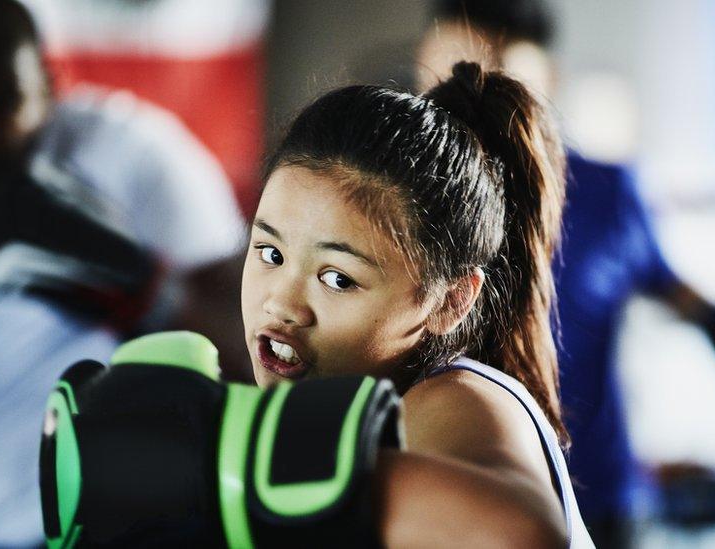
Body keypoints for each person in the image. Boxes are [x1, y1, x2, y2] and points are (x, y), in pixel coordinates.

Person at [415, 1, 715, 545]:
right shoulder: (403, 198)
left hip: (595, 490)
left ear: (547, 76)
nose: (479, 94)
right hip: (451, 482)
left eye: (502, 73)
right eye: (461, 68)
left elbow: (667, 285)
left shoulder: (607, 190)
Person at [238, 61, 593, 547]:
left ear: (450, 302)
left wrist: (225, 458)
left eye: (338, 279)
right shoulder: (348, 410)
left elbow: (517, 535)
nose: (281, 302)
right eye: (270, 254)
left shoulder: (450, 399)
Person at [0, 1, 246, 544]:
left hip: (96, 516)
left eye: (1, 101)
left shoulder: (123, 149)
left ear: (48, 81)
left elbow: (263, 341)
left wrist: (143, 292)